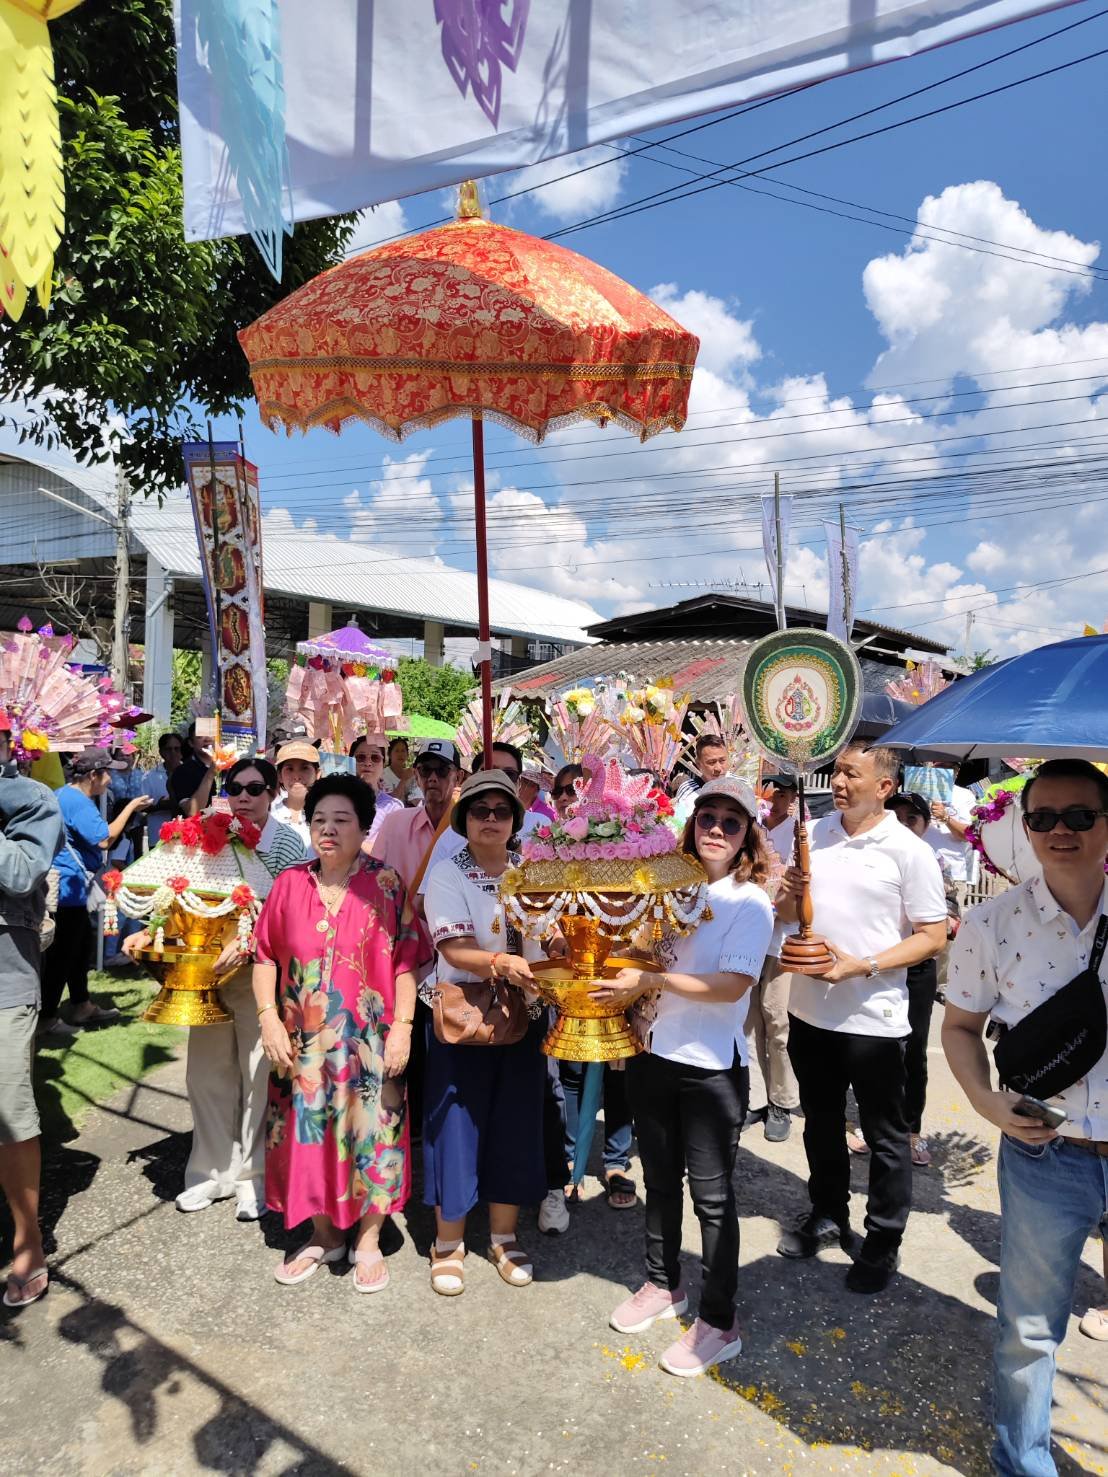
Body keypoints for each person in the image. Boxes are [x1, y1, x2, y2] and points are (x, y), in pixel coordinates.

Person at [943, 758, 1108, 1475]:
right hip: (1046, 1155)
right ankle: (1024, 1463)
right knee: (1030, 1331)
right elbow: (958, 1028)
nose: (1060, 831)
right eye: (1042, 817)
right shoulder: (992, 922)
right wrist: (985, 1102)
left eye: (1080, 816)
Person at [599, 777, 773, 1376]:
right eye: (707, 818)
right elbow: (640, 952)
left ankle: (720, 1322)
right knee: (659, 1182)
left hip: (711, 1070)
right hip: (654, 1056)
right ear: (692, 825)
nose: (717, 830)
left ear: (747, 834)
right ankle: (662, 1283)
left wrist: (652, 981)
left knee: (713, 1200)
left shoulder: (750, 903)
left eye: (731, 821)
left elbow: (732, 985)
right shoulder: (668, 887)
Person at [774, 744, 947, 1293]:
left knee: (884, 1135)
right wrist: (786, 896)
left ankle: (882, 1240)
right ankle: (827, 1213)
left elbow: (932, 935)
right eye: (839, 772)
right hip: (809, 1011)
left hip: (875, 1019)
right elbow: (785, 914)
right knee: (820, 1121)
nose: (840, 782)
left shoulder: (907, 850)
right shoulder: (815, 833)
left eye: (853, 774)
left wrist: (862, 966)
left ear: (885, 788)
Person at [252, 774, 424, 1291]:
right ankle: (324, 1235)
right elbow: (264, 954)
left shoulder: (387, 884)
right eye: (319, 820)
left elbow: (406, 962)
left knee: (373, 1135)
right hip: (299, 1045)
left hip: (368, 1046)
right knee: (307, 1135)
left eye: (341, 820)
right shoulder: (288, 884)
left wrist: (403, 1029)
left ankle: (369, 1238)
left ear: (364, 826)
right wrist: (266, 1016)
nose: (328, 830)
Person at [423, 769, 548, 1296]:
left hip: (528, 1011)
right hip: (464, 1016)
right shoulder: (447, 872)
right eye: (480, 810)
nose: (491, 818)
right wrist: (503, 962)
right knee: (456, 1122)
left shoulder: (535, 871)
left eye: (501, 810)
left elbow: (553, 930)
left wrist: (564, 952)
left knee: (515, 1123)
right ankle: (447, 1242)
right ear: (464, 819)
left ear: (515, 819)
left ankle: (502, 1234)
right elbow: (454, 952)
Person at [170, 758, 305, 1219]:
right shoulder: (207, 833)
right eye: (235, 788)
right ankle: (210, 1173)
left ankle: (253, 1177)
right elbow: (182, 891)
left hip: (258, 976)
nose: (244, 797)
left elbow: (287, 911)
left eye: (255, 788)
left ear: (273, 793)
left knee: (257, 1074)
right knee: (205, 1073)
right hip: (206, 972)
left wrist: (248, 944)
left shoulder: (287, 843)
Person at [538, 761, 635, 1226]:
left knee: (619, 1073)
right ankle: (572, 1157)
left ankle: (615, 1161)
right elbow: (539, 914)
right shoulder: (547, 849)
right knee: (572, 1071)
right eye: (561, 791)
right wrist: (556, 940)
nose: (569, 798)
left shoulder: (625, 847)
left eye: (579, 790)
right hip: (572, 975)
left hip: (617, 974)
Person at [0, 724, 63, 1308]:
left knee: (9, 1109)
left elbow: (21, 874)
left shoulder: (34, 801)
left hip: (5, 977)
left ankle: (28, 1239)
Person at [40, 747, 153, 1037]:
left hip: (73, 888)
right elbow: (104, 839)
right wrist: (130, 808)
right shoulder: (76, 801)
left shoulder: (68, 796)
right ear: (93, 775)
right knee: (63, 957)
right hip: (68, 890)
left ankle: (81, 1005)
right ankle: (47, 1019)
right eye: (108, 773)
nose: (111, 780)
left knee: (79, 951)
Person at [883, 791, 949, 1169]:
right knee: (877, 1048)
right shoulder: (875, 861)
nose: (905, 825)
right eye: (898, 817)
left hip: (918, 968)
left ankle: (910, 1129)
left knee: (913, 1050)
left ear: (926, 825)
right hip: (880, 964)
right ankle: (876, 1122)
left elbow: (949, 913)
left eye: (913, 819)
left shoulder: (934, 862)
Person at [746, 773, 801, 1143]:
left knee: (776, 1019)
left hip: (782, 940)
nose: (775, 798)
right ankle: (753, 1097)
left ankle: (782, 1100)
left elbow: (799, 895)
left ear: (793, 796)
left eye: (782, 793)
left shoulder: (801, 833)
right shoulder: (751, 827)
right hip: (749, 936)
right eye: (769, 791)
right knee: (748, 1021)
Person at [351, 734, 403, 841]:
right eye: (361, 757)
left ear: (383, 764)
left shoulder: (393, 808)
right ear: (350, 761)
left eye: (375, 758)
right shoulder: (338, 802)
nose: (368, 763)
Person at [673, 734, 730, 828]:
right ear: (698, 764)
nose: (718, 768)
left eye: (722, 760)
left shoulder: (742, 786)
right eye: (711, 762)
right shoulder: (688, 793)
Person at [271, 740, 320, 847]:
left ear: (317, 773)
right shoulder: (270, 815)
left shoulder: (327, 815)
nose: (297, 776)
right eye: (290, 769)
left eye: (304, 768)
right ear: (279, 776)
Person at [141, 732, 185, 846]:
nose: (173, 753)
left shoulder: (190, 774)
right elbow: (142, 807)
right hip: (158, 837)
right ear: (161, 752)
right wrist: (159, 806)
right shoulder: (149, 776)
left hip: (185, 838)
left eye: (177, 749)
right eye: (168, 749)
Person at [380, 737, 420, 804]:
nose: (400, 754)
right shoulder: (383, 775)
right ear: (389, 754)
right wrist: (404, 779)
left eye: (403, 751)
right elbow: (391, 802)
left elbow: (416, 797)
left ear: (407, 754)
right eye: (397, 751)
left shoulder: (411, 774)